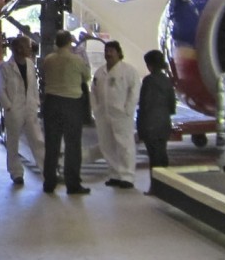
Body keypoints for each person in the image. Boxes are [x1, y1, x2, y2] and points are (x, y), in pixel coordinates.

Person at [39, 31, 92, 194]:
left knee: (51, 144)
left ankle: (49, 182)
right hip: (71, 103)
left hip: (51, 103)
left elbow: (43, 75)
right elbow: (87, 76)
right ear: (69, 42)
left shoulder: (48, 60)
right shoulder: (76, 60)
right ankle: (73, 183)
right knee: (73, 145)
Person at [0, 35, 45, 185]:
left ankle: (47, 171)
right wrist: (9, 106)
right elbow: (0, 90)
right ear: (18, 48)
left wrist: (36, 102)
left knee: (37, 140)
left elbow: (33, 86)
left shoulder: (30, 64)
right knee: (13, 142)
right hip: (14, 109)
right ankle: (16, 172)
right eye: (27, 46)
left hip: (29, 107)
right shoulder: (6, 67)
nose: (30, 49)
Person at [94, 41, 139, 188]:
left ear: (119, 53)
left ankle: (127, 176)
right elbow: (93, 91)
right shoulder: (100, 72)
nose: (108, 54)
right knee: (107, 144)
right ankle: (114, 173)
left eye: (111, 51)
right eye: (106, 51)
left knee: (124, 145)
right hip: (103, 114)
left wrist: (128, 109)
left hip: (121, 114)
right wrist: (96, 108)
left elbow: (134, 91)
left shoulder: (128, 71)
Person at [136, 49, 176, 180]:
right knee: (162, 153)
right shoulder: (167, 80)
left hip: (150, 124)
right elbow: (172, 104)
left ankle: (156, 186)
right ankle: (165, 182)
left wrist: (140, 127)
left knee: (154, 157)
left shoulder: (148, 81)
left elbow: (144, 104)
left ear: (149, 65)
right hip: (164, 122)